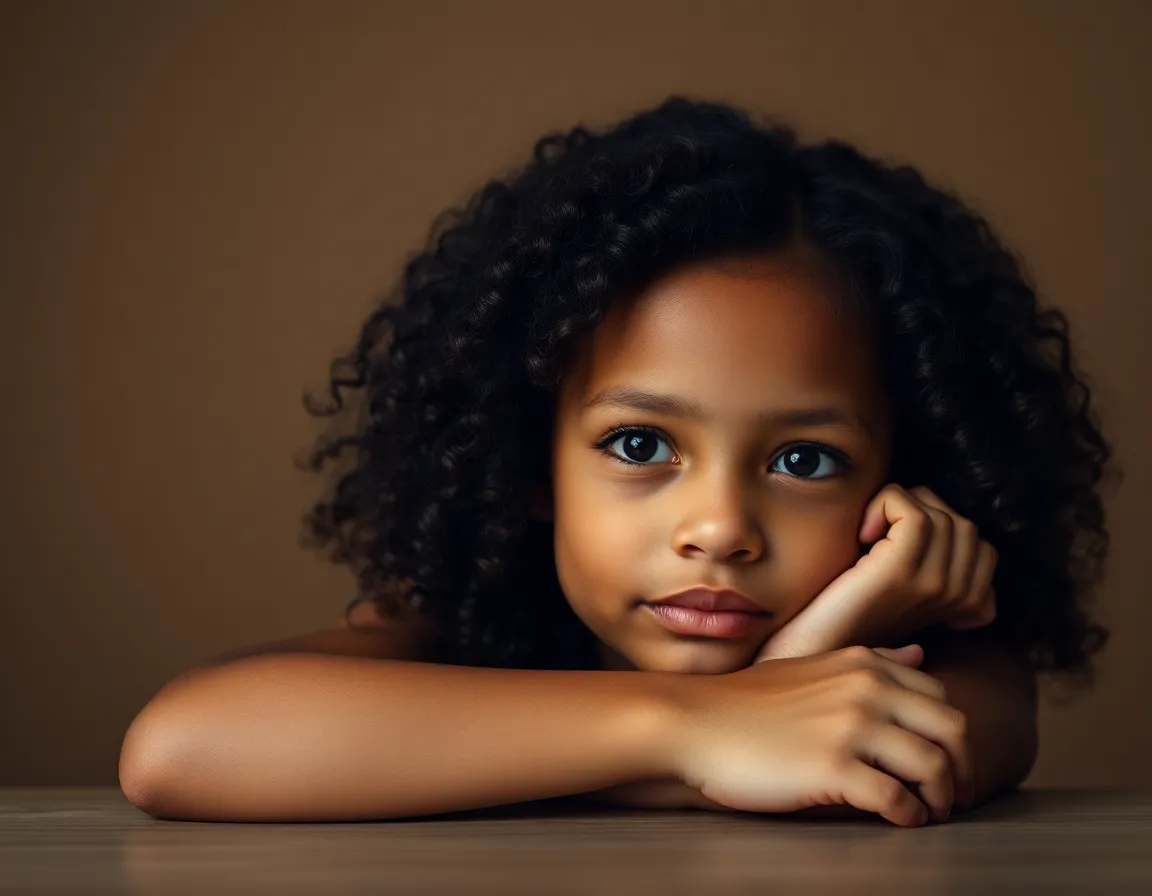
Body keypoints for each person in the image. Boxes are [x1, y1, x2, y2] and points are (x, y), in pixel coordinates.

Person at [119, 96, 1115, 827]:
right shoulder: (466, 625)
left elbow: (899, 762)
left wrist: (811, 661)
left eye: (806, 458)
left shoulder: (933, 657)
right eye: (640, 445)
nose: (721, 525)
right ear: (528, 466)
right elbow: (178, 748)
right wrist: (698, 731)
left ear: (908, 470)